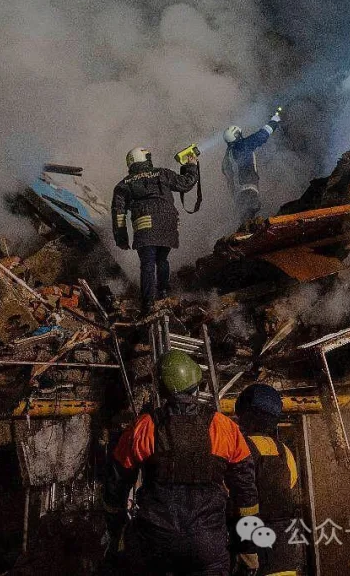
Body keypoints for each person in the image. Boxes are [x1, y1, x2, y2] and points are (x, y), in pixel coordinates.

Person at [104, 351, 259, 576]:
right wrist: (248, 550)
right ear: (197, 386)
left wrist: (116, 534)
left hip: (155, 545)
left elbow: (115, 489)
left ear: (162, 390)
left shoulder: (144, 427)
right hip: (208, 547)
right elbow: (246, 494)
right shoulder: (223, 427)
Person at [112, 147, 199, 313]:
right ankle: (163, 292)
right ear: (145, 159)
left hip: (145, 228)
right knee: (162, 259)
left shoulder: (124, 185)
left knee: (148, 264)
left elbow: (119, 213)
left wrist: (121, 238)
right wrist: (191, 166)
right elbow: (186, 183)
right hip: (168, 226)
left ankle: (148, 304)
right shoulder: (162, 173)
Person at [233, 383, 305, 576]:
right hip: (285, 552)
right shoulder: (285, 452)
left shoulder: (239, 451)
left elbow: (229, 495)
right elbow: (291, 484)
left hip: (252, 553)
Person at [222, 109, 282, 224]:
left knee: (245, 221)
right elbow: (262, 135)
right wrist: (274, 121)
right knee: (253, 220)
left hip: (238, 197)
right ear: (237, 136)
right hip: (248, 192)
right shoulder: (242, 146)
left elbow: (226, 173)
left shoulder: (227, 157)